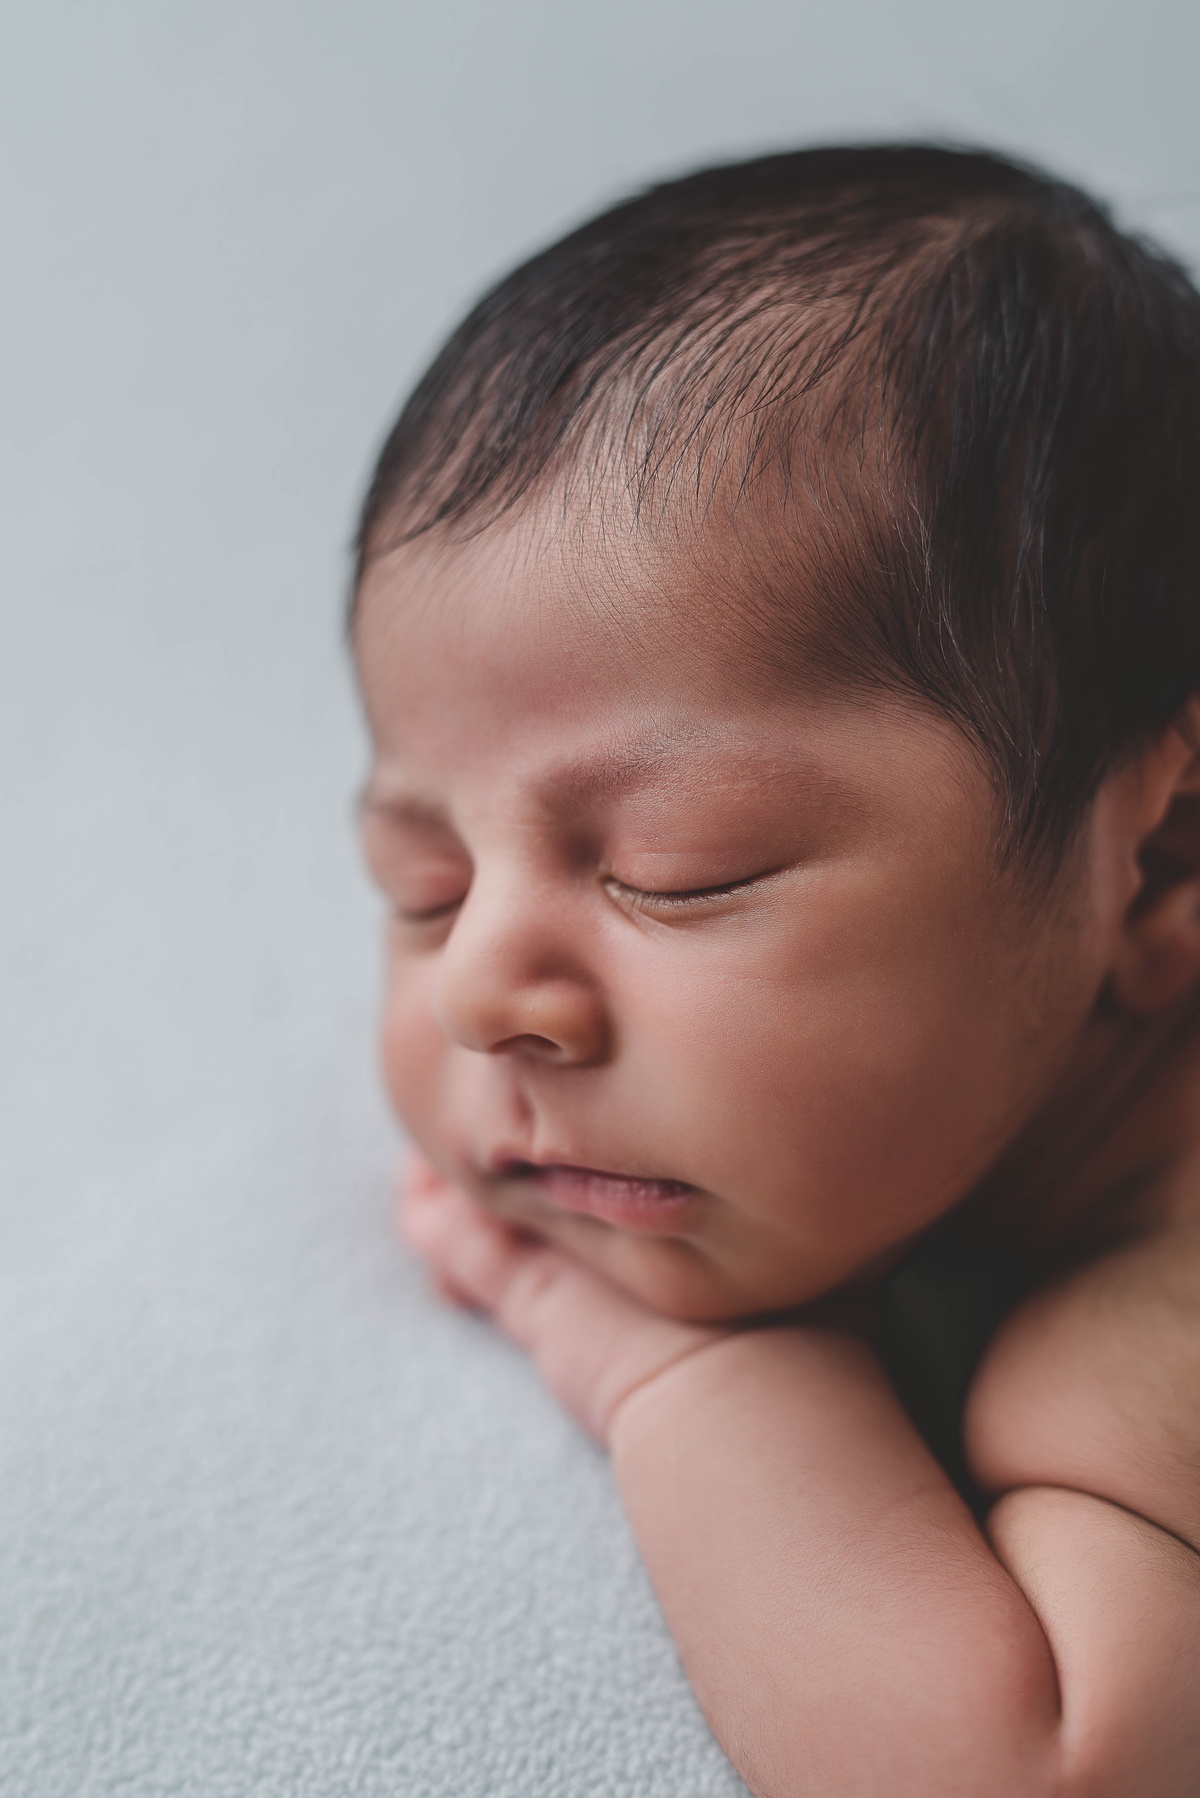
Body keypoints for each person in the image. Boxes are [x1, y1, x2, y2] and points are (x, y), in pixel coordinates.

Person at [351, 146, 1200, 1795]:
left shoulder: (1145, 1317)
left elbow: (1038, 1766)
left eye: (677, 871)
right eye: (423, 883)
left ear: (1155, 862)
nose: (479, 993)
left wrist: (683, 1372)